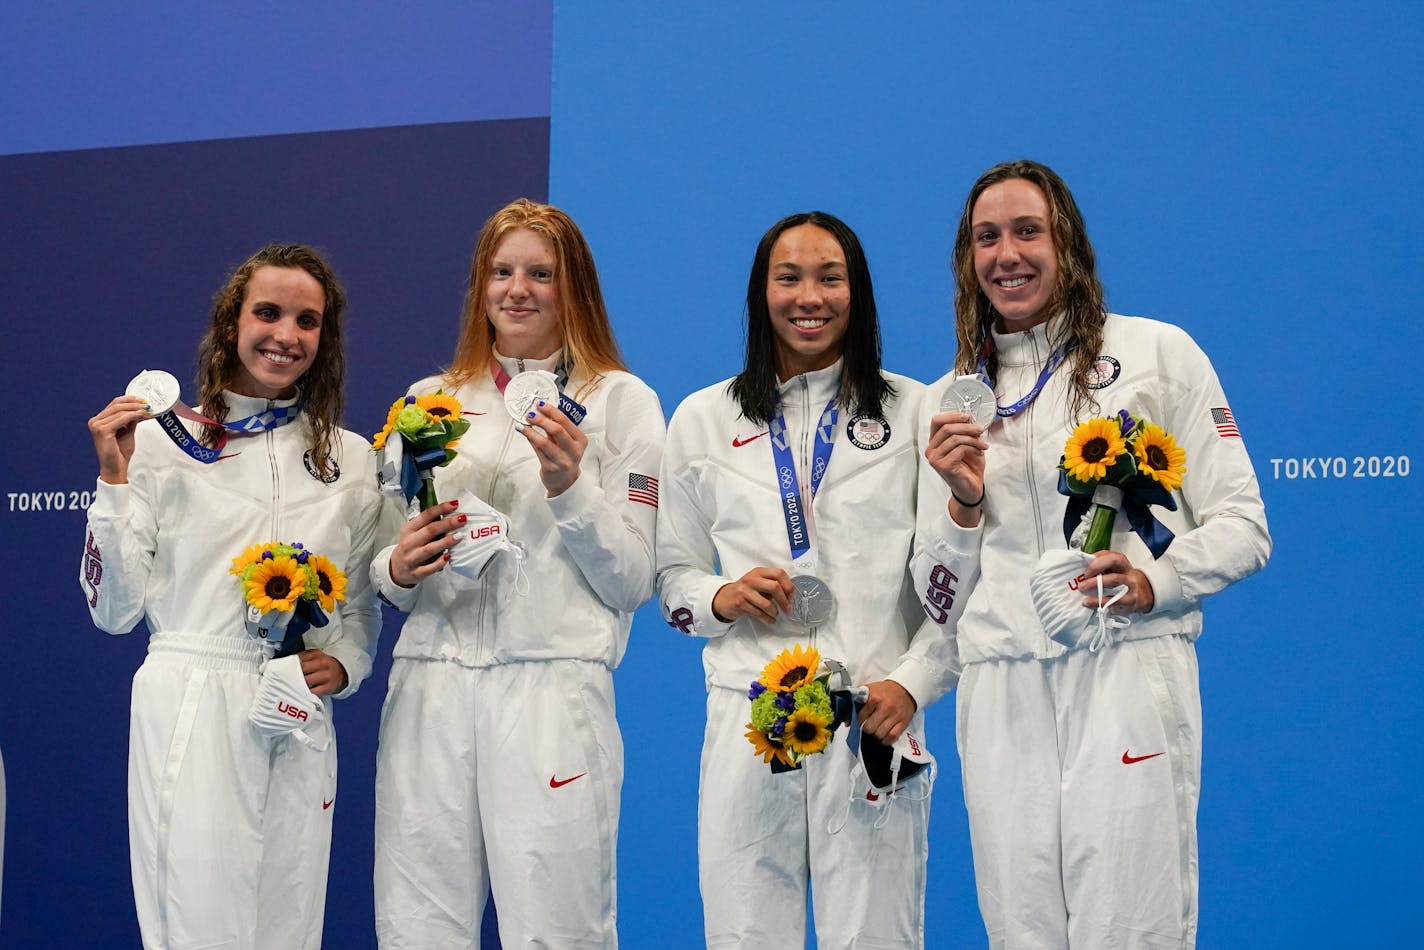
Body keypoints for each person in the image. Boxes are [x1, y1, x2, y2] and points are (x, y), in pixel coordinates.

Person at [916, 159, 1272, 948]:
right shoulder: (947, 402)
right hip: (999, 688)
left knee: (1130, 925)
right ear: (967, 260)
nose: (1007, 253)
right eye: (986, 237)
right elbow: (936, 593)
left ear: (1066, 241)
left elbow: (1245, 524)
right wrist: (964, 502)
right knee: (1021, 929)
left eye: (1026, 231)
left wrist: (1156, 581)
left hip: (1125, 670)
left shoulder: (1156, 353)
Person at [371, 198, 664, 948]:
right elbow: (382, 561)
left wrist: (570, 486)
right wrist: (400, 567)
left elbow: (633, 579)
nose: (517, 289)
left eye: (541, 273)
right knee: (417, 927)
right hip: (430, 686)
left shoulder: (620, 403)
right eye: (500, 272)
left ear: (577, 289)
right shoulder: (428, 402)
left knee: (556, 929)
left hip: (550, 688)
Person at [656, 211, 954, 949]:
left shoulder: (917, 412)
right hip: (750, 722)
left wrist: (914, 682)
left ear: (860, 292)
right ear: (762, 293)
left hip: (872, 717)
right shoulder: (701, 417)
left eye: (830, 277)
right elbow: (670, 577)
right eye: (788, 278)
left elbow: (957, 584)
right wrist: (718, 599)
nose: (808, 296)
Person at [82, 244, 385, 949]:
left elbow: (361, 603)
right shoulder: (160, 442)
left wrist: (344, 664)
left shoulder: (351, 458)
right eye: (268, 313)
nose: (286, 334)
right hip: (193, 691)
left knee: (288, 924)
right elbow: (113, 610)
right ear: (230, 325)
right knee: (199, 926)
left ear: (324, 339)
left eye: (307, 321)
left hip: (296, 708)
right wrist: (113, 481)